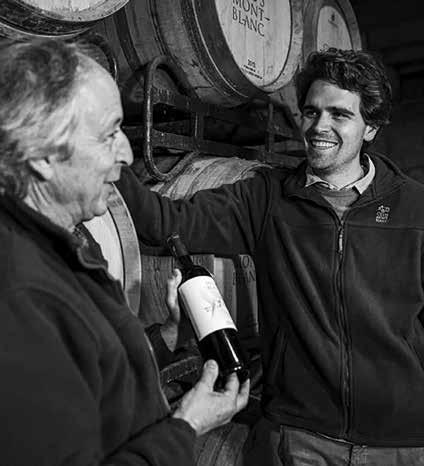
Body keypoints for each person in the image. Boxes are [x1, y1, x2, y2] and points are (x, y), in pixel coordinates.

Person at [116, 47, 424, 465]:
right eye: (311, 112)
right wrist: (106, 149)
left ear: (370, 127)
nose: (320, 126)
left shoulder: (414, 207)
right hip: (300, 437)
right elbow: (165, 221)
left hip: (402, 442)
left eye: (339, 114)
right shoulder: (267, 198)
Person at [0, 38, 249, 466]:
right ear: (42, 154)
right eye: (109, 134)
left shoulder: (70, 241)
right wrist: (186, 427)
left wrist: (166, 334)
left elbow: (91, 371)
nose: (128, 152)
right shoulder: (19, 294)